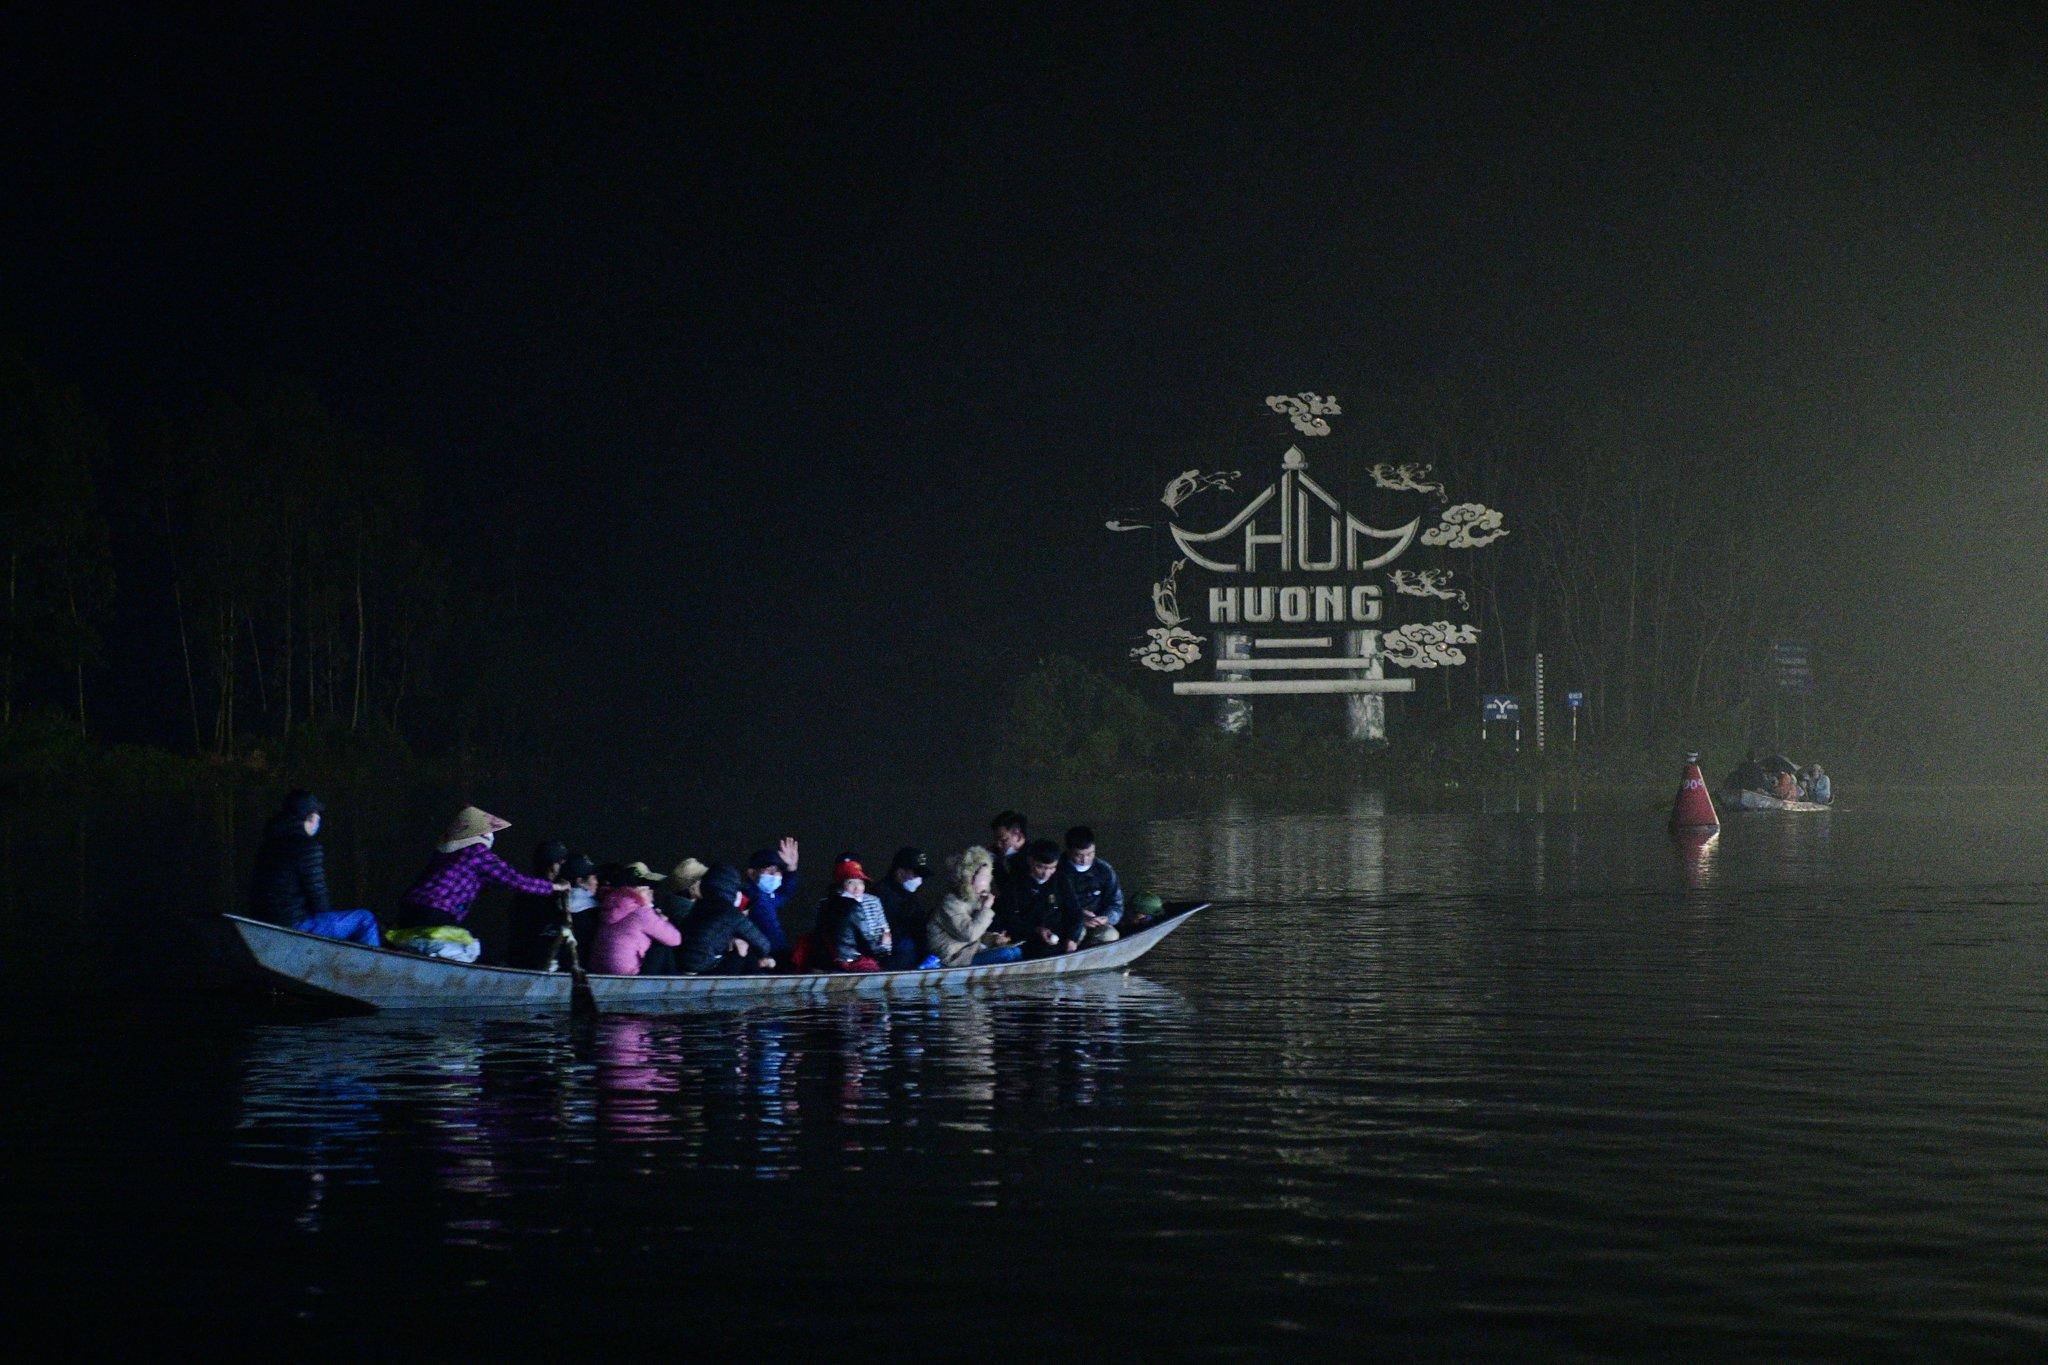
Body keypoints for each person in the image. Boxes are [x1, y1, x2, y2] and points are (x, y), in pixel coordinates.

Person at [396, 806, 566, 935]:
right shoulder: (477, 852)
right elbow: (516, 880)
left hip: (409, 906)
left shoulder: (448, 853)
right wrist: (556, 887)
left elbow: (490, 882)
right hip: (437, 912)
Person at [247, 790, 380, 945]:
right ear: (309, 817)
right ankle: (372, 966)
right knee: (365, 919)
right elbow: (317, 891)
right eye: (318, 815)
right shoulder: (307, 846)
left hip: (264, 922)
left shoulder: (268, 845)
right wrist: (328, 923)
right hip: (294, 924)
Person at [676, 864, 778, 974]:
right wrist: (764, 955)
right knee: (744, 947)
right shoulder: (730, 912)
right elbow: (762, 943)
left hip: (681, 962)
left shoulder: (698, 907)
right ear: (731, 888)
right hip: (706, 967)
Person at [929, 846, 1022, 967]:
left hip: (970, 953)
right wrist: (985, 909)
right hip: (955, 958)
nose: (987, 881)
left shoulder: (973, 900)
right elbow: (970, 934)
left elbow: (979, 935)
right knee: (1008, 954)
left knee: (1016, 951)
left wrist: (994, 939)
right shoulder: (950, 904)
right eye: (983, 877)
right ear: (968, 878)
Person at [587, 868, 682, 977]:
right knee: (662, 946)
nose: (651, 892)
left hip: (596, 969)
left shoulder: (607, 905)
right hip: (626, 973)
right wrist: (662, 920)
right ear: (637, 890)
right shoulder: (641, 912)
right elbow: (675, 939)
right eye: (647, 888)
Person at [1055, 825, 1124, 946]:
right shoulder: (1056, 869)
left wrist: (1106, 918)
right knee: (1076, 933)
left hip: (1097, 922)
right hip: (1066, 923)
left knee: (1110, 935)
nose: (1085, 860)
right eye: (1079, 855)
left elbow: (1116, 904)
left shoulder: (1104, 870)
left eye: (1090, 854)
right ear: (1069, 850)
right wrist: (1078, 917)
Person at [999, 838, 1069, 954]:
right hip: (1027, 940)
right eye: (1040, 867)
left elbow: (1074, 911)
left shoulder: (1061, 880)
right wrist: (1036, 930)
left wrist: (1072, 938)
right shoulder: (1015, 883)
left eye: (1051, 868)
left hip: (1058, 937)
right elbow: (1011, 920)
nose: (1046, 874)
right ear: (1030, 861)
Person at [507, 839, 570, 968]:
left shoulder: (557, 887)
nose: (563, 865)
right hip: (530, 962)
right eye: (560, 861)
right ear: (551, 864)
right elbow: (527, 932)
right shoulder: (533, 891)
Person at [824, 858, 889, 971]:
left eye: (860, 883)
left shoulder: (827, 903)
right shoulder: (852, 905)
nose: (857, 888)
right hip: (851, 961)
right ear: (841, 885)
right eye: (851, 882)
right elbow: (866, 938)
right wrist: (882, 950)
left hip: (831, 960)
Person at [874, 846, 934, 968]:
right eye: (916, 874)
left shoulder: (909, 894)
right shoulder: (880, 895)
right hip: (893, 959)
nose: (920, 880)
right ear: (900, 872)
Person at [741, 840, 800, 956]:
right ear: (751, 873)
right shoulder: (745, 896)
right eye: (769, 869)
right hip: (759, 958)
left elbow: (785, 892)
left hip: (775, 955)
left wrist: (791, 869)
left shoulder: (768, 896)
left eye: (778, 870)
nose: (774, 875)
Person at [987, 811, 1030, 889]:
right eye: (996, 840)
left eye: (1003, 840)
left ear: (1018, 836)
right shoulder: (997, 852)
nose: (998, 844)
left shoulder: (1033, 860)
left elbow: (1008, 891)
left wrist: (996, 863)